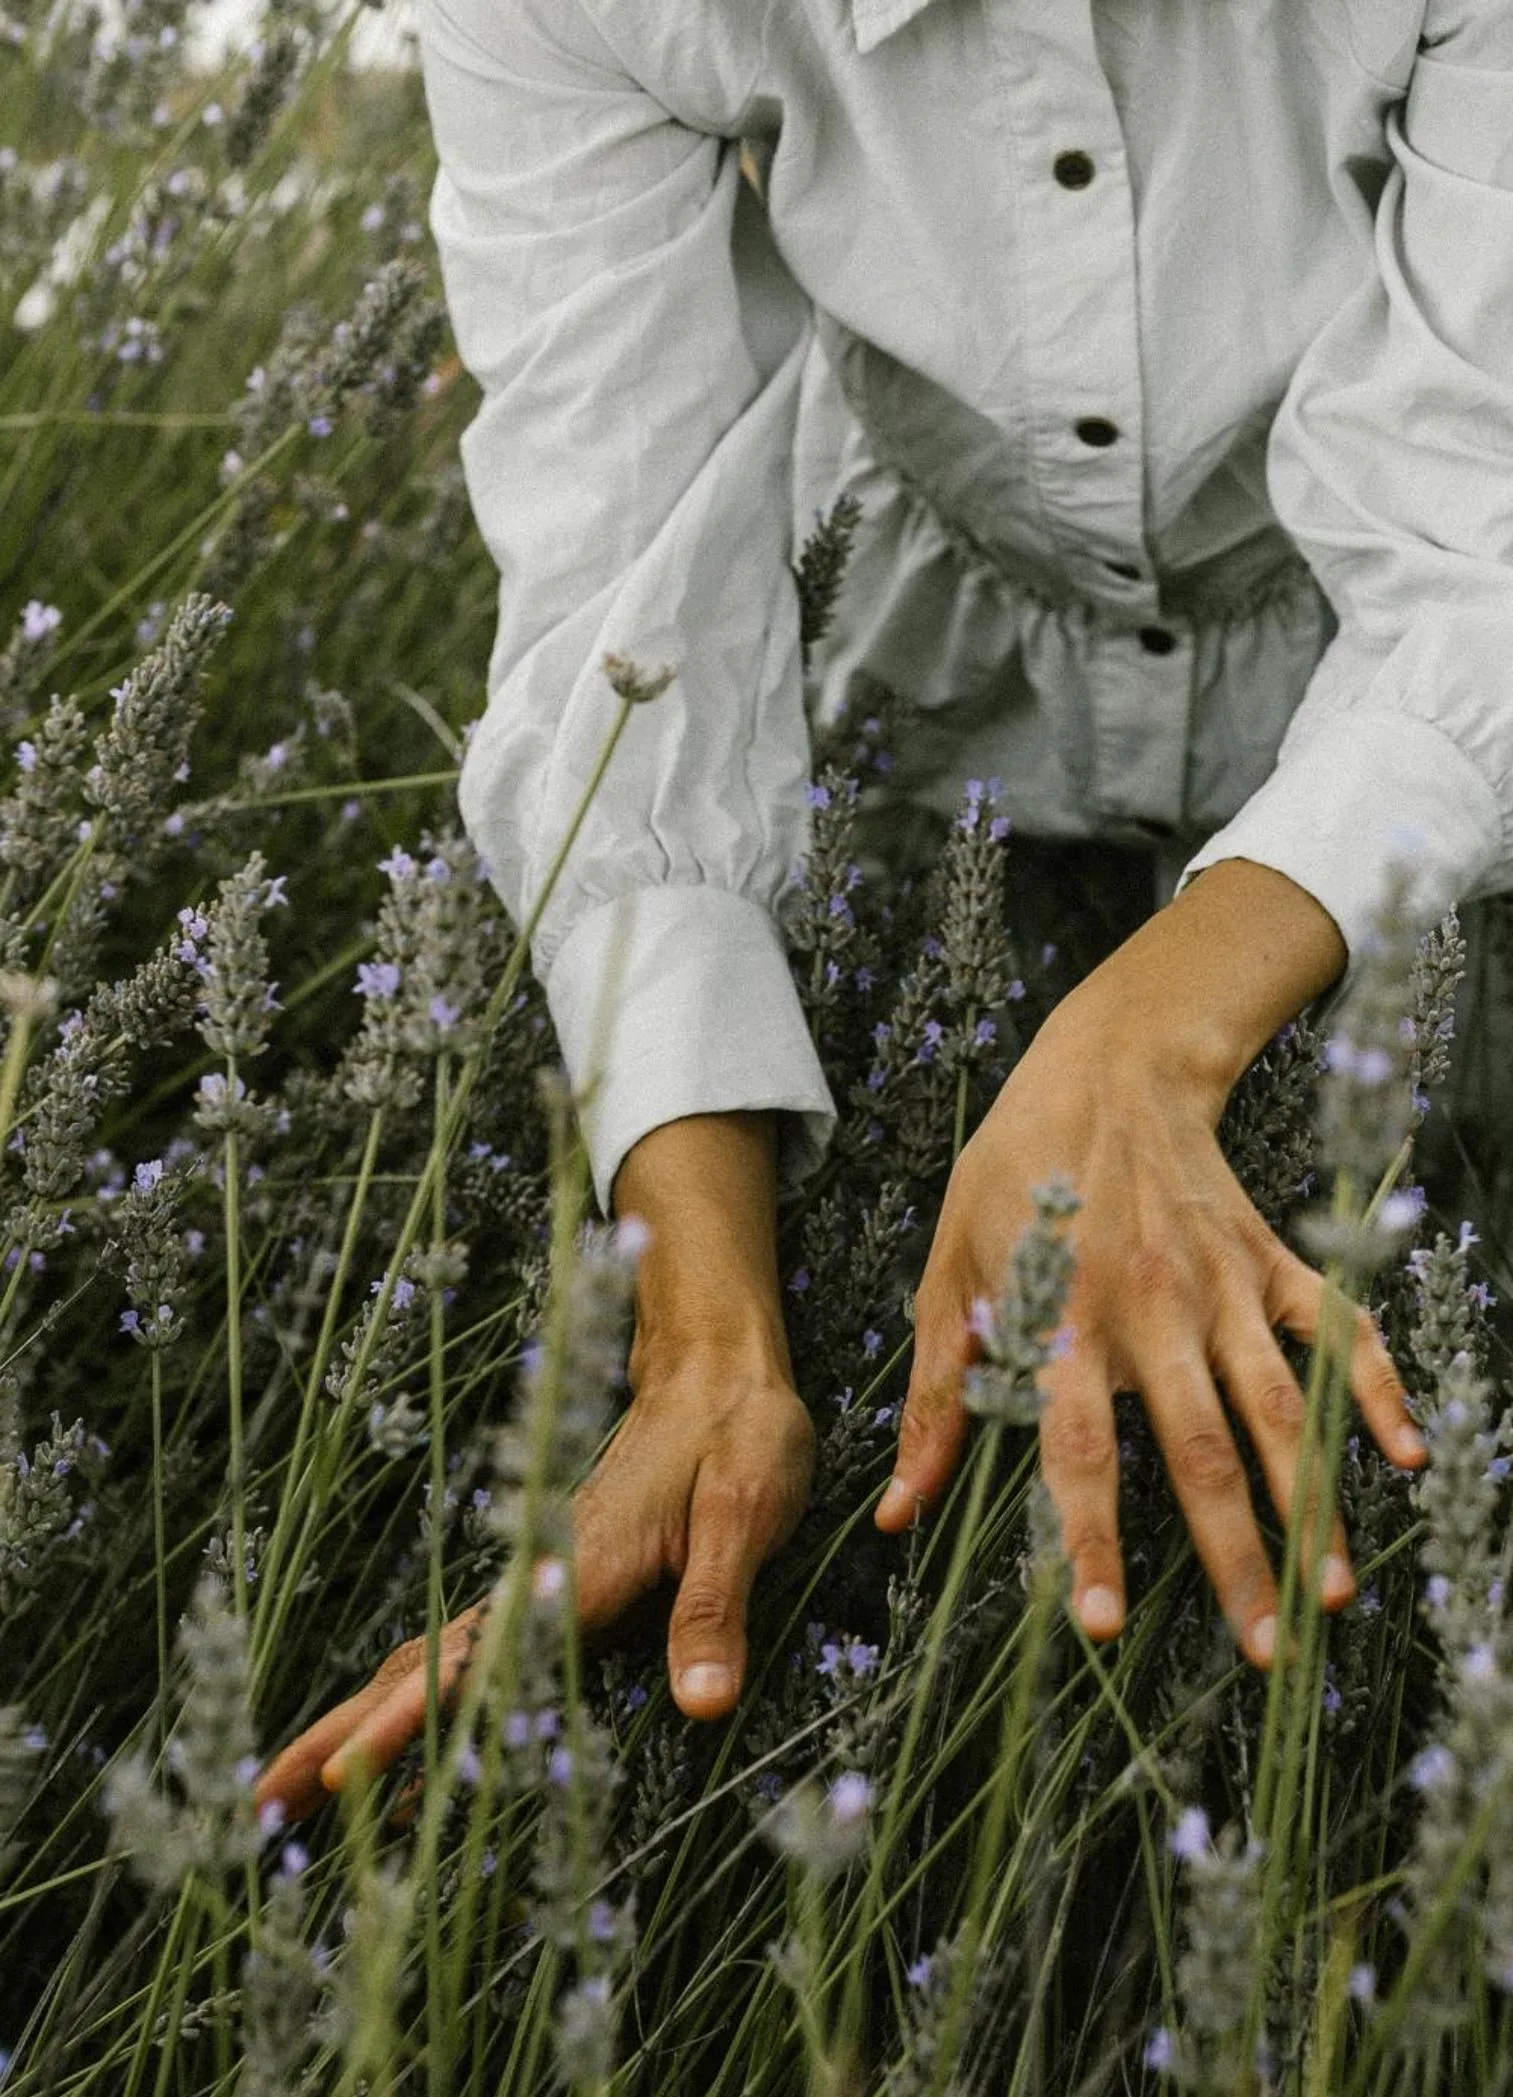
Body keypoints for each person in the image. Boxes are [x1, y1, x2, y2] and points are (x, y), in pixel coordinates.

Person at [254, 0, 1513, 1824]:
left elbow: (1485, 546)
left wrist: (1137, 1042)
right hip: (928, 676)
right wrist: (707, 1340)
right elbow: (627, 603)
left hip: (1395, 672)